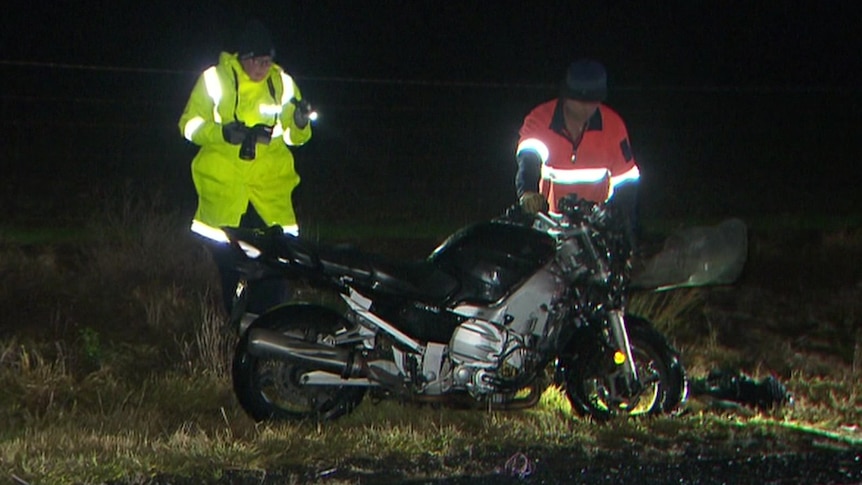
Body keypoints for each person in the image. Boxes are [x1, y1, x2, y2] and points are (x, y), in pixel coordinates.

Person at [178, 18, 314, 313]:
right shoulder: (214, 80)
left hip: (270, 196)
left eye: (268, 61)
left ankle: (271, 330)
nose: (263, 68)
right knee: (233, 270)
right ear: (244, 57)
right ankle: (239, 333)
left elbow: (296, 136)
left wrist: (301, 122)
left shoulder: (283, 82)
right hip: (227, 195)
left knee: (276, 268)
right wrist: (223, 133)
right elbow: (188, 125)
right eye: (258, 61)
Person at [514, 59, 640, 242]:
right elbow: (529, 158)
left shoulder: (613, 125)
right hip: (549, 225)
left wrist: (623, 228)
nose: (586, 108)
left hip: (595, 228)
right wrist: (528, 192)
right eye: (580, 101)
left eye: (593, 101)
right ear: (566, 96)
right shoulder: (540, 119)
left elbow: (627, 183)